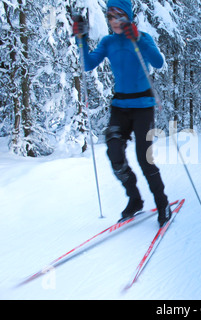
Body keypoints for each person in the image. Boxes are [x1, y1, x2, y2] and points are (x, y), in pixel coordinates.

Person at [73, 0, 171, 227]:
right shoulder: (108, 42)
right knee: (114, 153)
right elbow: (87, 65)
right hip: (120, 106)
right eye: (110, 16)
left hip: (143, 106)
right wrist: (82, 39)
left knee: (143, 158)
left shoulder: (142, 38)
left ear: (128, 16)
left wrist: (137, 38)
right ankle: (135, 199)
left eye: (118, 15)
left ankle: (162, 201)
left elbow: (158, 62)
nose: (114, 21)